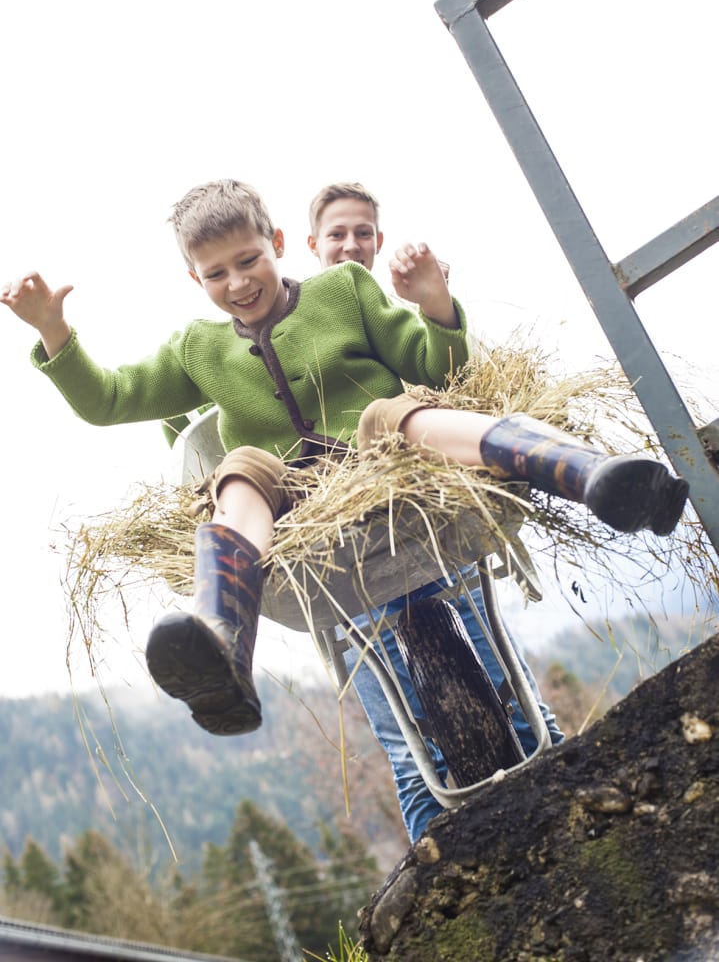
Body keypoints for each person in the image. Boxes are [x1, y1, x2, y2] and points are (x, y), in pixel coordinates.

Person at [1, 179, 688, 771]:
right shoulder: (195, 348)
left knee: (395, 414)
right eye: (216, 274)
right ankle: (223, 640)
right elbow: (110, 400)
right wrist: (54, 332)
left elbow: (436, 366)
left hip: (383, 458)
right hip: (295, 501)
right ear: (194, 279)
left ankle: (588, 475)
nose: (237, 283)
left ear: (276, 242)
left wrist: (434, 304)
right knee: (238, 470)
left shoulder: (343, 290)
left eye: (248, 260)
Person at [307, 182, 566, 841]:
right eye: (337, 233)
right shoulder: (293, 326)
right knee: (403, 731)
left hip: (419, 515)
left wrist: (433, 303)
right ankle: (430, 846)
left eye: (362, 232)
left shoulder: (385, 314)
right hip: (340, 545)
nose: (350, 244)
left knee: (494, 657)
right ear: (311, 245)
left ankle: (557, 760)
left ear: (378, 242)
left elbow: (445, 372)